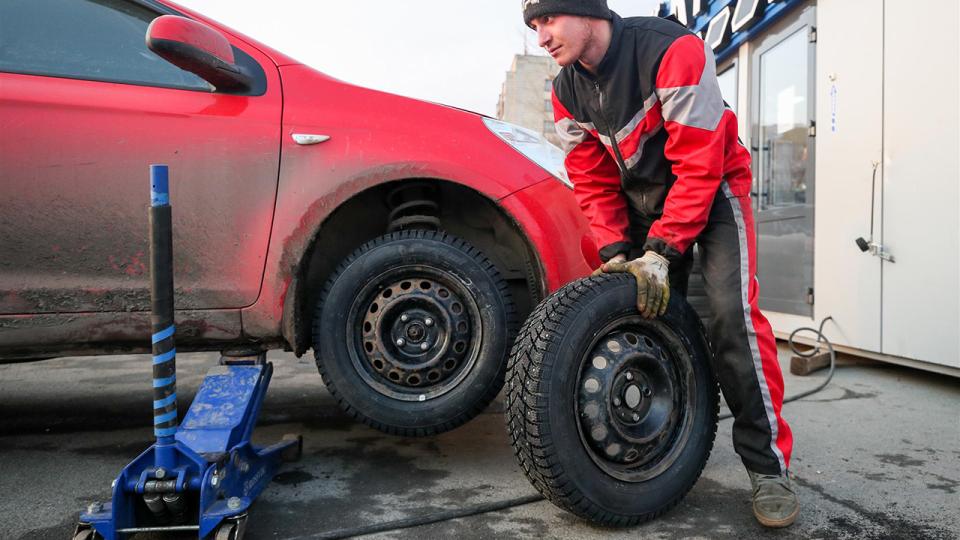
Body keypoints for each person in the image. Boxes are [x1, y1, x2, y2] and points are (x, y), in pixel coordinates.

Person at [523, 0, 799, 528]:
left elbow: (698, 164)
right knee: (645, 312)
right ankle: (669, 440)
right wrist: (619, 252)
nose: (542, 38)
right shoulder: (565, 90)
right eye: (534, 27)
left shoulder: (672, 49)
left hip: (714, 188)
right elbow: (593, 180)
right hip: (644, 199)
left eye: (549, 20)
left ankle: (768, 468)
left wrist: (663, 251)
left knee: (728, 318)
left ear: (585, 11)